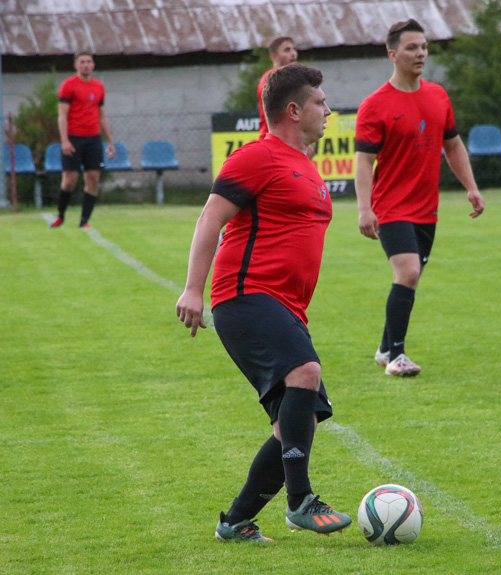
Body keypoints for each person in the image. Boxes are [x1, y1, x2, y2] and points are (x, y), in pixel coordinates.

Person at [176, 63, 351, 542]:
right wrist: (193, 289)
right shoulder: (257, 157)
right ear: (293, 111)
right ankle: (301, 501)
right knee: (305, 374)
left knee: (295, 420)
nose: (328, 110)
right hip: (245, 294)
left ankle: (235, 522)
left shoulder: (306, 165)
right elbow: (210, 219)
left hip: (286, 306)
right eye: (319, 102)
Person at [354, 19, 485, 377]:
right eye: (412, 48)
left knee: (409, 278)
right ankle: (397, 356)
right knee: (409, 271)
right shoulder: (374, 106)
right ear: (392, 54)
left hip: (427, 209)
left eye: (424, 47)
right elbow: (364, 161)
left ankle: (384, 348)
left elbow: (453, 145)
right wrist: (364, 209)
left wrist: (471, 187)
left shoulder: (438, 96)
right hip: (391, 207)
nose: (421, 53)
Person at [50, 51, 115, 229]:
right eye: (82, 62)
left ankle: (84, 221)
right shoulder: (68, 86)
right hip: (73, 138)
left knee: (93, 178)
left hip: (93, 138)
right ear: (76, 66)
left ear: (93, 65)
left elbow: (102, 116)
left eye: (89, 61)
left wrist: (109, 141)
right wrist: (64, 140)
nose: (86, 65)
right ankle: (60, 216)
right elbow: (62, 115)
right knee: (70, 179)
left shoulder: (98, 87)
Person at [257, 36, 298, 140]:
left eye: (294, 49)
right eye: (287, 50)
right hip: (273, 140)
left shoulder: (292, 79)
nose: (293, 54)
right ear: (274, 57)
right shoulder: (269, 81)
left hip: (288, 139)